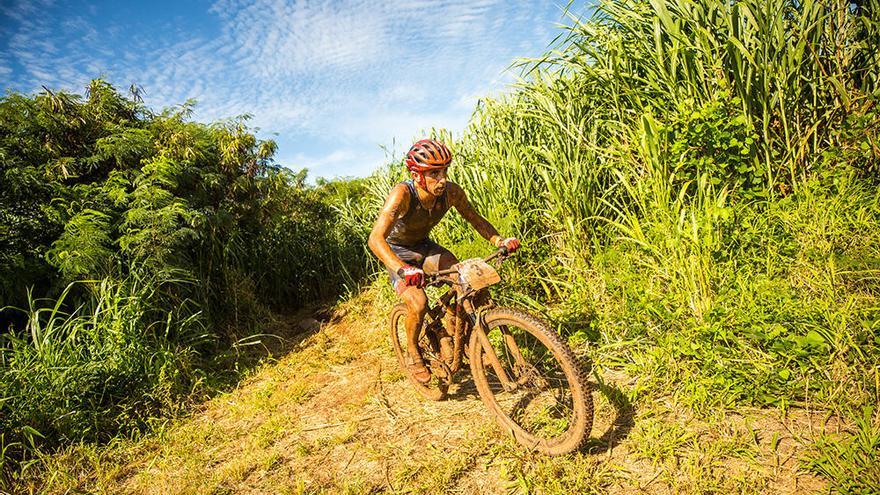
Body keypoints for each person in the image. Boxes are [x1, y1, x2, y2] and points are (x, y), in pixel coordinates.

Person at [368, 138, 520, 383]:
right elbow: (375, 239)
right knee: (417, 303)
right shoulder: (402, 194)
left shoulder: (451, 193)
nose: (442, 179)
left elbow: (474, 218)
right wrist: (402, 269)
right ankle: (413, 351)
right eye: (434, 173)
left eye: (445, 172)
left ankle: (455, 336)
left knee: (466, 281)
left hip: (425, 247)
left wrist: (499, 240)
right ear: (417, 175)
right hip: (398, 252)